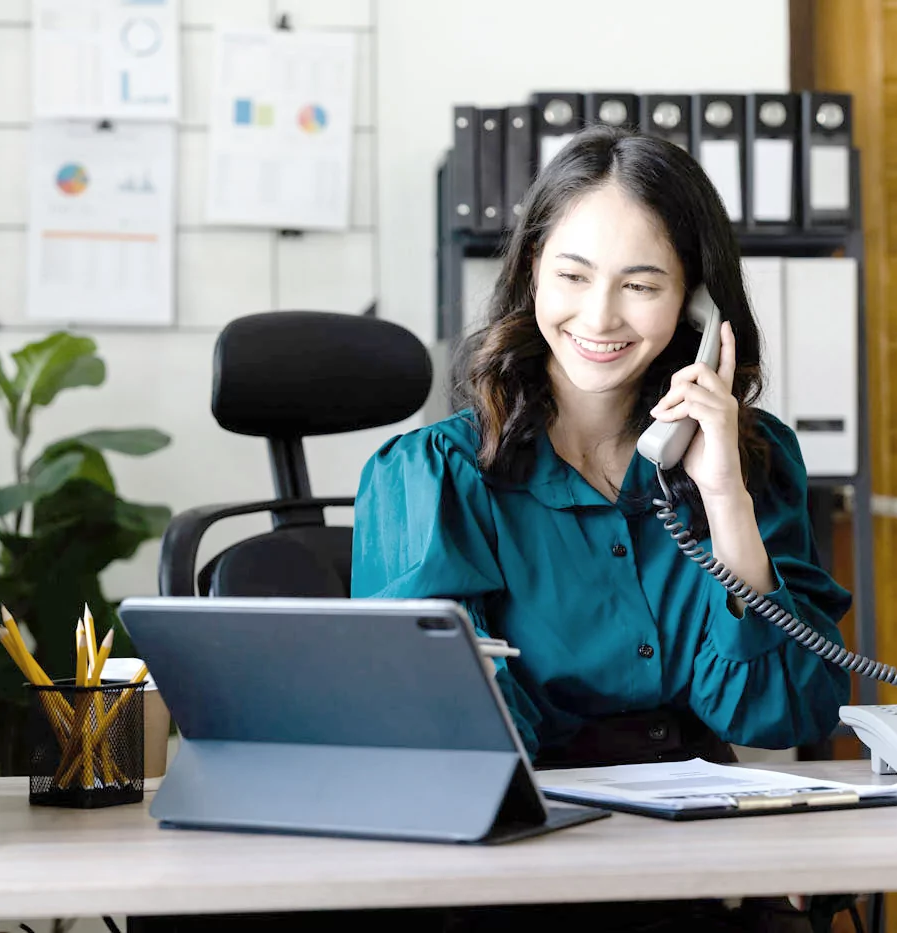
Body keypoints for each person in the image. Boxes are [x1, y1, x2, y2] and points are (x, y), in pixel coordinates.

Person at [350, 124, 854, 932]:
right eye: (573, 276)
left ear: (698, 301)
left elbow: (784, 713)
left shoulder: (753, 462)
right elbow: (450, 740)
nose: (600, 315)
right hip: (515, 875)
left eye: (642, 285)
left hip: (702, 862)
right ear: (530, 278)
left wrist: (723, 499)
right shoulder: (434, 478)